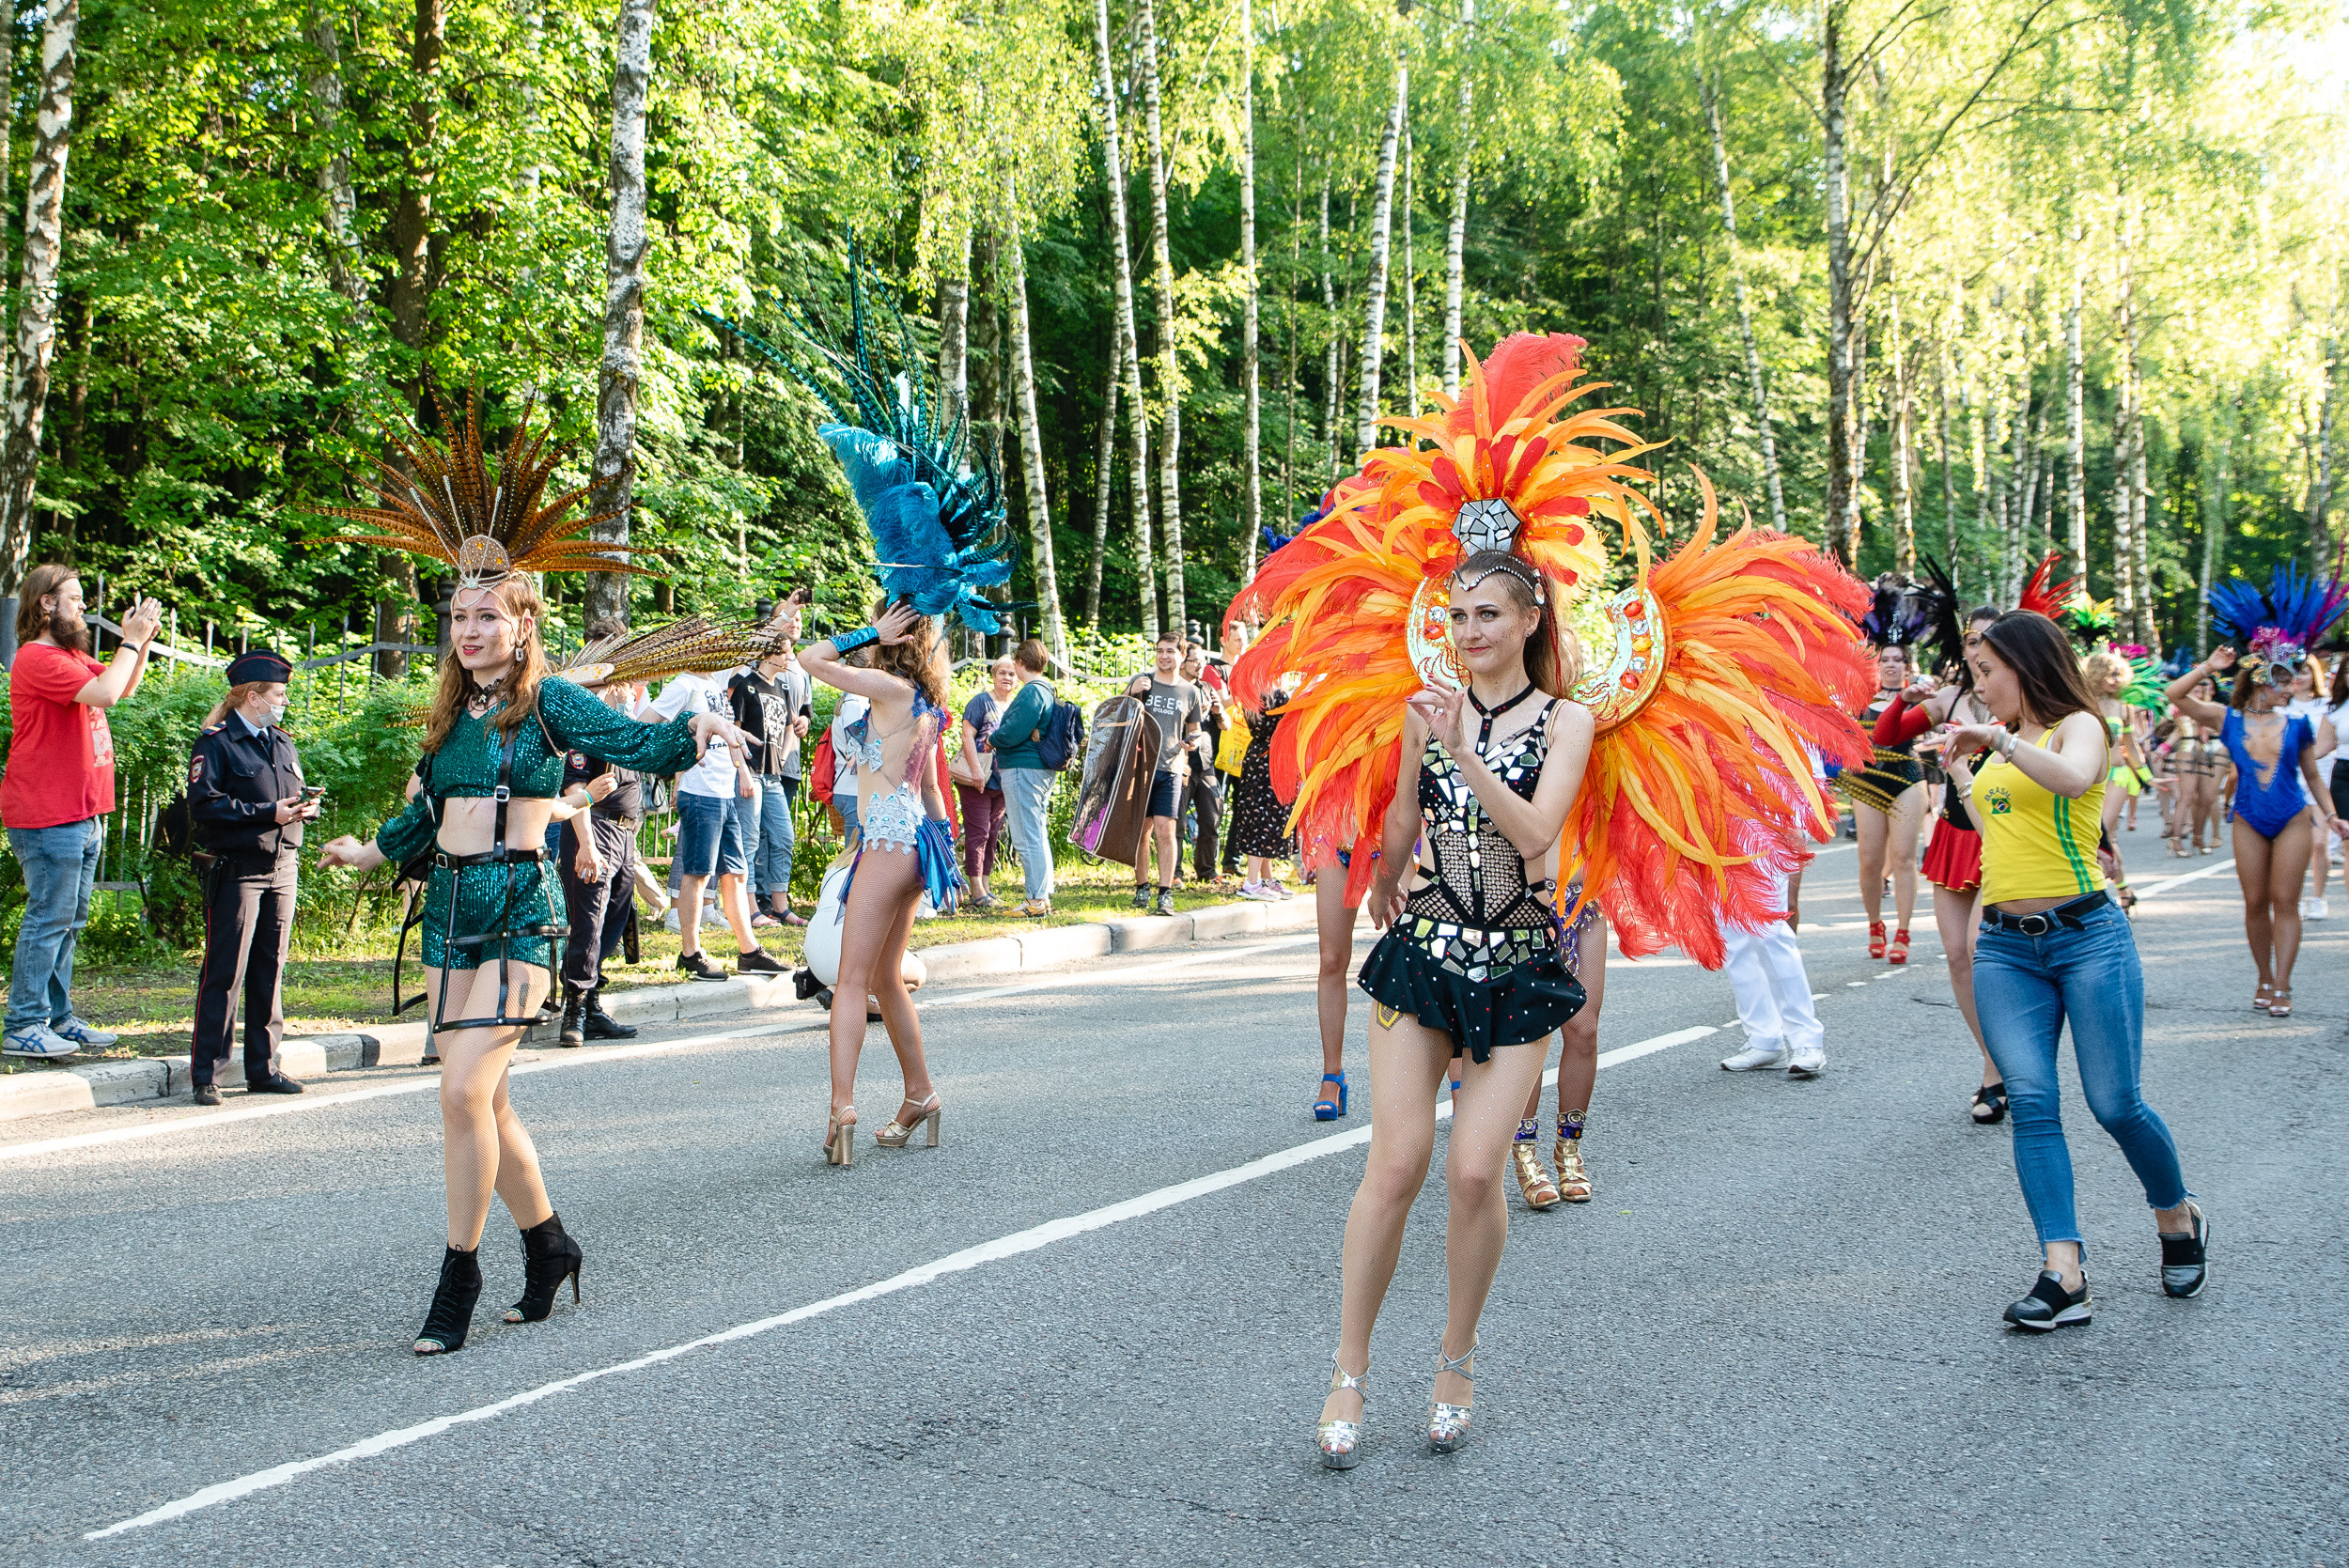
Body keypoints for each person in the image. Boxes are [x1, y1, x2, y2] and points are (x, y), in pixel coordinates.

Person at [312, 399, 748, 1356]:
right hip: (448, 910)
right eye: (458, 616)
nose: (468, 630)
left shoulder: (550, 702)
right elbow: (429, 812)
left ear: (522, 624)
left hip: (519, 909)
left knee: (462, 1092)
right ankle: (550, 1246)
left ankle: (457, 1276)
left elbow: (636, 742)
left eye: (487, 616)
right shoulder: (449, 714)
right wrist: (374, 850)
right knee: (486, 1099)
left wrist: (699, 728)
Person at [1318, 552, 1594, 1465]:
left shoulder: (1568, 721)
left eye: (1487, 614)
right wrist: (1384, 875)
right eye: (1458, 615)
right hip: (1422, 959)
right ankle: (1349, 1368)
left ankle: (1456, 1357)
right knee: (1396, 1164)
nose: (1470, 631)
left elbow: (1537, 830)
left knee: (1475, 1173)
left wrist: (1465, 752)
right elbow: (1404, 813)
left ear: (1528, 620)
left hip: (1519, 968)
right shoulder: (1422, 712)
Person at [1937, 609, 2204, 1330]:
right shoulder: (2004, 744)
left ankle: (2176, 1214)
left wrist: (1995, 741)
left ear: (2027, 665)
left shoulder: (2077, 726)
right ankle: (2064, 1270)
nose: (1979, 684)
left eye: (1988, 670)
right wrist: (1960, 769)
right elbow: (2000, 830)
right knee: (2031, 1099)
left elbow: (2075, 779)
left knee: (2116, 1104)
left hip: (2087, 938)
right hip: (2006, 948)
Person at [797, 600, 956, 1164]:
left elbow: (810, 657)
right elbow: (931, 788)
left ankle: (842, 1108)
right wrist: (944, 854)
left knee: (850, 980)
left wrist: (870, 632)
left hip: (888, 843)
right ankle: (921, 1094)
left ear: (896, 634)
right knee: (888, 978)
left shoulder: (889, 688)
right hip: (914, 841)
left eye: (883, 626)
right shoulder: (926, 700)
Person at [1, 567, 159, 1059]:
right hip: (49, 812)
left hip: (81, 812)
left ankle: (57, 1018)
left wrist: (141, 642)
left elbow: (122, 687)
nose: (84, 607)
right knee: (49, 919)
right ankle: (24, 1024)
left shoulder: (69, 655)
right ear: (46, 604)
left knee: (68, 921)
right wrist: (129, 640)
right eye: (74, 598)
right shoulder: (37, 657)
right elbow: (105, 694)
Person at [2166, 644, 2342, 1018]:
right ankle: (2264, 977)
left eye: (2292, 680)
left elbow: (2312, 776)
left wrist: (2331, 816)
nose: (2292, 687)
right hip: (2248, 817)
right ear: (2262, 682)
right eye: (2284, 681)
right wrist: (2209, 666)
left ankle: (2283, 983)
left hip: (2292, 816)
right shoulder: (2226, 718)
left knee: (2285, 900)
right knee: (2255, 901)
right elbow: (2175, 694)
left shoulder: (2298, 724)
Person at [1878, 605, 2006, 1120]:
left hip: (2003, 834)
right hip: (1956, 835)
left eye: (1990, 640)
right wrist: (1904, 701)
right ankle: (1994, 1062)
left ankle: (2000, 1070)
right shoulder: (1951, 697)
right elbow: (1887, 735)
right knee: (1956, 955)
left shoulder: (2021, 698)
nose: (1978, 650)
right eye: (1972, 641)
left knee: (1979, 948)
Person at [184, 648, 319, 1103]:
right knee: (225, 972)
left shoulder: (281, 741)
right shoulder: (216, 743)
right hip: (239, 871)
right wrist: (267, 813)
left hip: (283, 866)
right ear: (253, 697)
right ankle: (207, 1074)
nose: (285, 702)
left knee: (270, 968)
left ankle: (263, 1068)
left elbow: (287, 795)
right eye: (279, 694)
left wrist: (304, 808)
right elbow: (205, 805)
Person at [646, 663, 782, 979]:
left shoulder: (715, 679)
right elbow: (645, 724)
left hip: (724, 793)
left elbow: (748, 648)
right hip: (700, 793)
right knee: (698, 874)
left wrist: (741, 769)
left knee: (736, 874)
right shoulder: (683, 684)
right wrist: (680, 745)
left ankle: (749, 952)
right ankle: (690, 954)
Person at [555, 644, 648, 1048]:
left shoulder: (619, 726)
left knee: (612, 921)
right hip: (596, 830)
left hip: (624, 835)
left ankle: (591, 1003)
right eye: (628, 683)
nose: (634, 690)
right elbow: (575, 788)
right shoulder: (586, 726)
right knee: (587, 923)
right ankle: (574, 1011)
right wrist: (586, 845)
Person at [730, 598, 814, 928]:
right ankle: (751, 908)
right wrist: (742, 771)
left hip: (774, 776)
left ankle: (780, 906)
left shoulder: (782, 687)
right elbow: (733, 733)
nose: (790, 658)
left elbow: (792, 724)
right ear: (769, 655)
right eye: (785, 653)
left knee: (784, 837)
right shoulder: (745, 686)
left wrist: (783, 753)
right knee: (750, 841)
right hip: (751, 774)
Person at [1843, 643, 1927, 964]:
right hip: (1867, 780)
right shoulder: (1860, 699)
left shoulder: (1918, 698)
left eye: (1898, 659)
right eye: (1885, 660)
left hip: (1907, 778)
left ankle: (1903, 932)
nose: (1891, 664)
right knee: (1869, 860)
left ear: (1907, 665)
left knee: (1904, 858)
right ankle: (1874, 924)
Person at [1125, 633, 1206, 916]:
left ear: (1182, 656)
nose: (1164, 656)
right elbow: (1118, 712)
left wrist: (1193, 743)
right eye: (1160, 651)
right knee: (1142, 830)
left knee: (1166, 830)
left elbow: (1195, 730)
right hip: (1140, 767)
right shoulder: (1143, 681)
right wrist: (1131, 690)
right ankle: (1142, 887)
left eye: (1170, 651)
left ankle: (1165, 892)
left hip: (1170, 768)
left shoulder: (1190, 692)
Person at [988, 638, 1059, 918]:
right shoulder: (1046, 689)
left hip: (1023, 769)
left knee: (1026, 836)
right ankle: (1041, 896)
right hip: (1035, 769)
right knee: (1036, 832)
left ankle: (1035, 900)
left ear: (1020, 663)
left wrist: (993, 738)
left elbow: (1013, 731)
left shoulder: (1032, 692)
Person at [2083, 649, 2150, 911]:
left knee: (2100, 832)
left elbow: (2131, 746)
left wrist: (2148, 778)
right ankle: (2124, 890)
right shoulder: (2082, 704)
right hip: (2090, 775)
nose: (2116, 680)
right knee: (2100, 837)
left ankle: (2097, 895)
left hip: (2118, 775)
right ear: (2096, 674)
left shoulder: (2124, 707)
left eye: (2119, 674)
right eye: (2110, 674)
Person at [954, 655, 1016, 910]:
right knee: (978, 832)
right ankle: (976, 889)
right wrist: (976, 770)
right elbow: (967, 736)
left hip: (1002, 780)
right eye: (1002, 672)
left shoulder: (1014, 706)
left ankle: (986, 886)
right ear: (994, 675)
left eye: (1012, 674)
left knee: (992, 834)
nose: (1007, 677)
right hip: (977, 778)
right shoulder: (981, 701)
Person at [1228, 689, 1293, 900]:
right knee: (1264, 820)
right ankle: (1252, 882)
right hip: (1271, 758)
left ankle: (1265, 877)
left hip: (1258, 755)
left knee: (1261, 817)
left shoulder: (1253, 692)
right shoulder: (1275, 695)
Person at [2282, 659, 2331, 918]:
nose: (2299, 677)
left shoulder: (2327, 704)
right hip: (2289, 781)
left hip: (2320, 779)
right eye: (2294, 672)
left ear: (2314, 674)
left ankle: (2318, 897)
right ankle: (2296, 896)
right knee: (2294, 845)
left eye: (2304, 671)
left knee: (2319, 843)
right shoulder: (2281, 706)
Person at [1180, 645, 1228, 888]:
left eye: (1202, 661)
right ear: (1183, 662)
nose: (1200, 666)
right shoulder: (1176, 688)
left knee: (1211, 817)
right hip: (1181, 761)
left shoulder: (1207, 688)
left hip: (1206, 761)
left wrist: (1218, 712)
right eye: (1194, 661)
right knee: (1177, 820)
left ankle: (1207, 871)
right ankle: (1174, 873)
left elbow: (1225, 725)